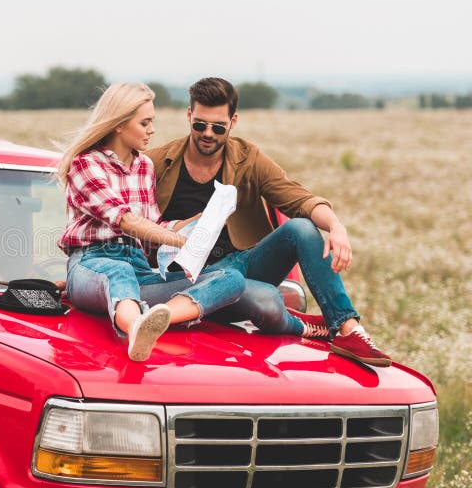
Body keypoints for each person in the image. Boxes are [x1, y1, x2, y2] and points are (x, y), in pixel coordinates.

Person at [145, 77, 391, 367]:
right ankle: (303, 325)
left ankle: (346, 328)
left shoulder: (249, 159)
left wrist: (337, 226)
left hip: (244, 267)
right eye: (200, 125)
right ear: (189, 116)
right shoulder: (157, 162)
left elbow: (299, 199)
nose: (208, 134)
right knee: (266, 300)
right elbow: (124, 217)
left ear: (233, 122)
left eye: (218, 127)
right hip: (187, 280)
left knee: (300, 229)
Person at [57, 82, 245, 362]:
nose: (151, 130)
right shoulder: (86, 164)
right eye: (145, 123)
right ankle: (136, 328)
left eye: (151, 122)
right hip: (92, 262)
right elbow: (126, 221)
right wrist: (179, 241)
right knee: (118, 272)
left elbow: (152, 225)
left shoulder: (144, 166)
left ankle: (159, 318)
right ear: (119, 124)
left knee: (231, 278)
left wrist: (201, 221)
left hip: (140, 271)